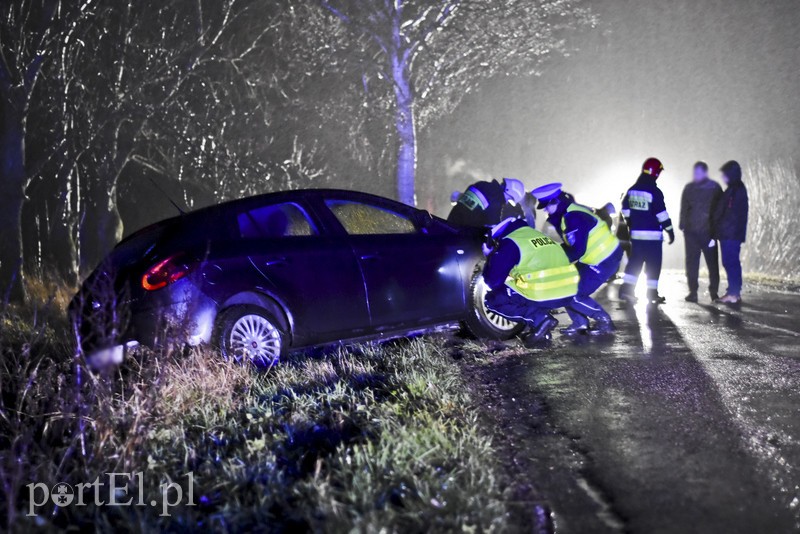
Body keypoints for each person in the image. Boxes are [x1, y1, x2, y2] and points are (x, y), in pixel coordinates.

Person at [532, 183, 621, 335]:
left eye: (546, 206)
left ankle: (604, 321)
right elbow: (570, 246)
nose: (545, 210)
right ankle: (580, 323)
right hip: (593, 258)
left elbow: (577, 250)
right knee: (564, 285)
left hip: (605, 258)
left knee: (572, 293)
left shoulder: (573, 217)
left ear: (556, 202)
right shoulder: (564, 215)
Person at [482, 217, 580, 346]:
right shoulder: (537, 235)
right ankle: (543, 332)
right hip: (568, 292)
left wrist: (490, 256)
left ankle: (539, 319)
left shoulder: (510, 242)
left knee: (493, 300)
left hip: (545, 293)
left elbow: (492, 281)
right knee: (522, 287)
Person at [618, 158, 675, 305]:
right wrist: (670, 230)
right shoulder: (654, 191)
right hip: (653, 238)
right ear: (655, 172)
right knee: (653, 266)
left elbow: (625, 210)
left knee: (634, 264)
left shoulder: (632, 190)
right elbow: (661, 214)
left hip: (636, 237)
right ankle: (652, 294)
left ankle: (626, 291)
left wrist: (632, 222)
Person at [680, 161, 722, 302]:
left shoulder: (713, 187)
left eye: (698, 172)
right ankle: (693, 292)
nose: (696, 175)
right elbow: (684, 208)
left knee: (711, 264)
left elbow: (719, 210)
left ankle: (713, 292)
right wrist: (683, 226)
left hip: (708, 233)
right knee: (693, 264)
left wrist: (717, 230)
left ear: (704, 172)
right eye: (695, 172)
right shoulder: (694, 188)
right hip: (693, 234)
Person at [712, 160, 749, 304]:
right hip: (731, 233)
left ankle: (733, 293)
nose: (723, 178)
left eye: (724, 175)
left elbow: (728, 213)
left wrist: (719, 227)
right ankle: (734, 292)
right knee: (731, 262)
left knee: (730, 262)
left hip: (730, 234)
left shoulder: (735, 190)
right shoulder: (736, 189)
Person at [448, 178, 525, 227]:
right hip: (462, 232)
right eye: (510, 199)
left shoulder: (480, 184)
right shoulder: (497, 199)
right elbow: (492, 224)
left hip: (450, 222)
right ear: (508, 191)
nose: (507, 202)